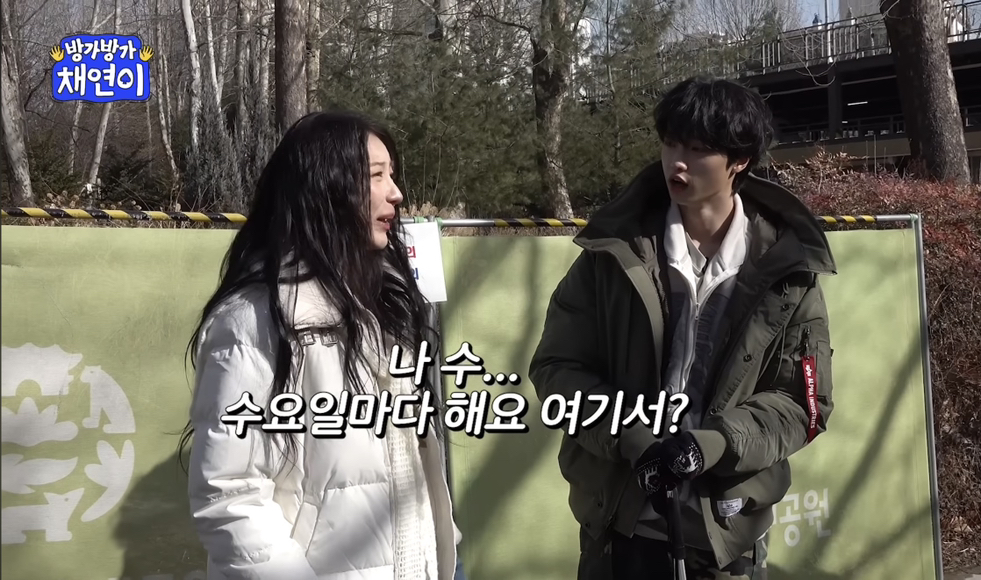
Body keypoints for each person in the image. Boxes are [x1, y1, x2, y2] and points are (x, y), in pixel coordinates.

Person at [529, 75, 837, 579]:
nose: (677, 162)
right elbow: (556, 368)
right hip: (621, 529)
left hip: (728, 536)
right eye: (671, 143)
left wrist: (711, 444)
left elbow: (802, 403)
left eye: (697, 150)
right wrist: (629, 436)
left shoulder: (788, 269)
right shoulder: (614, 254)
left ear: (739, 161)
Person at [179, 110, 465, 580]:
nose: (396, 193)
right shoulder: (253, 322)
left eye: (392, 175)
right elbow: (229, 494)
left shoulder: (385, 309)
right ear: (325, 190)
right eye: (376, 176)